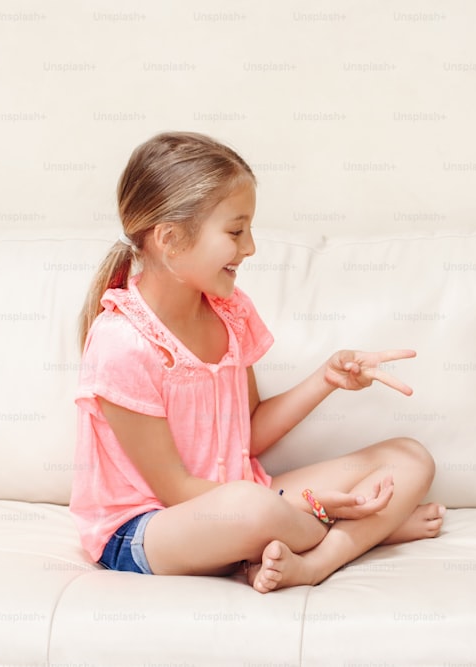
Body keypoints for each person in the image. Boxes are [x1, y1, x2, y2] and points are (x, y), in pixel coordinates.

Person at [71, 131, 444, 593]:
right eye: (234, 231)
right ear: (169, 238)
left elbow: (248, 432)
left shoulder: (230, 311)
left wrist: (326, 378)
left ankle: (313, 556)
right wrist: (308, 506)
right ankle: (357, 536)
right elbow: (178, 492)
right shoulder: (122, 343)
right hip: (150, 528)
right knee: (254, 508)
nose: (250, 248)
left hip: (243, 501)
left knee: (409, 457)